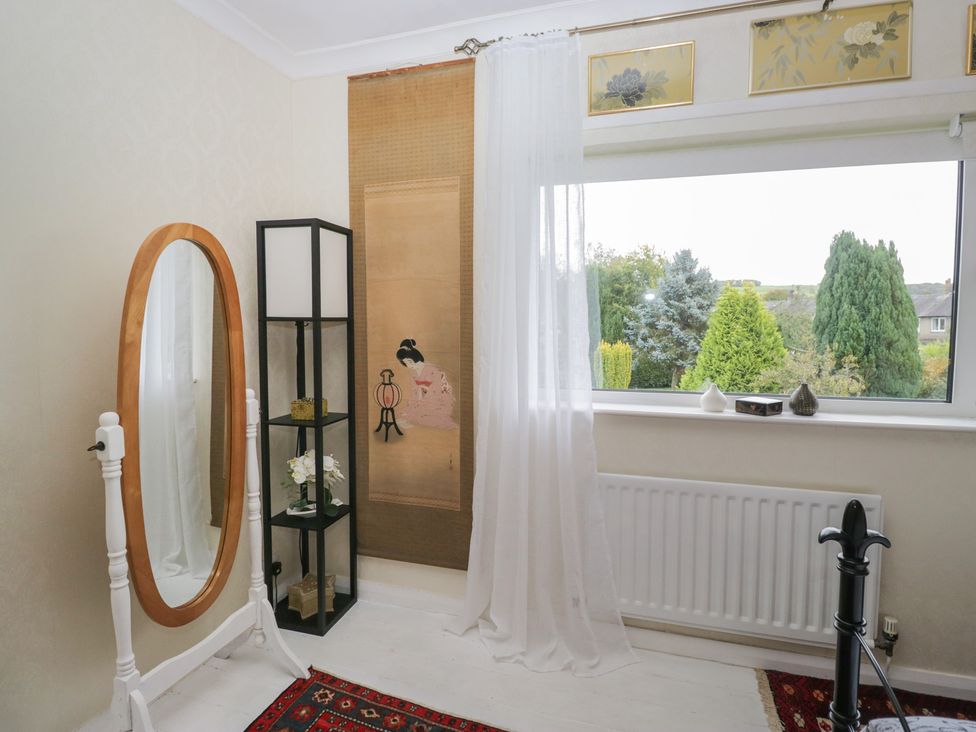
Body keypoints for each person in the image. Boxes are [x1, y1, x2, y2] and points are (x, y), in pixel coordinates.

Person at [395, 339, 456, 430]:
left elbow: (438, 392)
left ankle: (417, 418)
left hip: (438, 402)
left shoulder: (432, 370)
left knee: (423, 416)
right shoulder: (414, 374)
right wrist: (416, 403)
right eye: (406, 363)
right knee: (406, 413)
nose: (409, 365)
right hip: (422, 401)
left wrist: (422, 402)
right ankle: (415, 417)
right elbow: (415, 393)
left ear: (415, 356)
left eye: (409, 361)